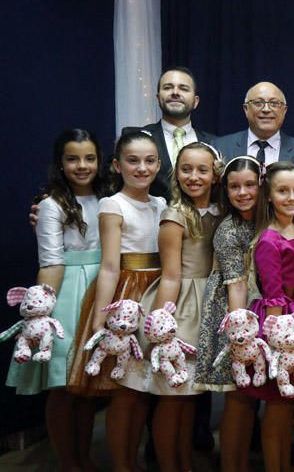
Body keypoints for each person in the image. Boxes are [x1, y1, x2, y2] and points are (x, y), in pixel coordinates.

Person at [6, 129, 108, 471]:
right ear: (60, 163)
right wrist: (41, 313)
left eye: (89, 158)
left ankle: (85, 457)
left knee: (85, 385)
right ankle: (67, 461)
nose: (82, 166)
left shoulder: (108, 196)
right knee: (63, 384)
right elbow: (51, 261)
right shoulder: (51, 204)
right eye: (72, 158)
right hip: (66, 292)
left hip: (103, 288)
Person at [118, 142, 223, 472]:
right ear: (176, 173)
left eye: (202, 170)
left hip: (208, 303)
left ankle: (184, 462)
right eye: (186, 169)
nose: (193, 176)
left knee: (191, 396)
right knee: (170, 395)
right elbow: (172, 275)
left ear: (215, 175)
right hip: (180, 306)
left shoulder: (222, 212)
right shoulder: (175, 216)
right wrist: (163, 322)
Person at [66, 130, 166, 471]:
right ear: (116, 165)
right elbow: (110, 266)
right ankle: (121, 464)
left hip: (158, 290)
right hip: (126, 296)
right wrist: (99, 319)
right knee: (124, 389)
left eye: (149, 161)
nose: (142, 168)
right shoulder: (113, 205)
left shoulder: (162, 204)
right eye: (133, 161)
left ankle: (133, 460)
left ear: (158, 165)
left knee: (143, 390)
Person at [193, 155, 260, 471]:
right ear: (225, 189)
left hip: (258, 305)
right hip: (235, 310)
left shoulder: (263, 221)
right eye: (235, 186)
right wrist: (240, 336)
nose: (243, 192)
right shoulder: (229, 229)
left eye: (249, 184)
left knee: (251, 396)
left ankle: (242, 459)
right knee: (238, 396)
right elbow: (236, 286)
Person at [245, 161, 294, 471]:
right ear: (268, 196)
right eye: (283, 191)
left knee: (289, 406)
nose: (292, 197)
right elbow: (272, 296)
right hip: (280, 322)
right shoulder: (269, 240)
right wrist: (276, 345)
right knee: (278, 403)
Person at [122, 67, 216, 200]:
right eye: (168, 87)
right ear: (158, 97)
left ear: (195, 102)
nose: (175, 92)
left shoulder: (215, 143)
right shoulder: (135, 138)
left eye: (183, 88)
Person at [213, 81, 294, 193]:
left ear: (284, 111)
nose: (266, 109)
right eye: (258, 103)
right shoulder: (220, 147)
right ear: (246, 109)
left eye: (274, 104)